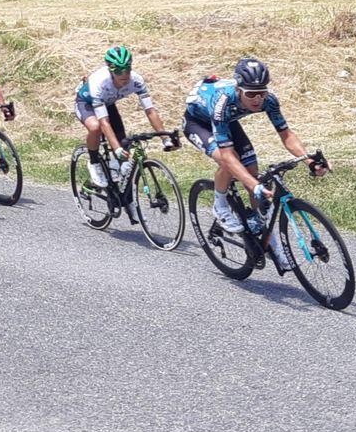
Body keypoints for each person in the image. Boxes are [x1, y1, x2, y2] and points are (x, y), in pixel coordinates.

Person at [182, 57, 330, 269]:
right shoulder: (222, 102)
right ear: (238, 89)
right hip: (199, 123)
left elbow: (286, 134)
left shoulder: (268, 100)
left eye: (262, 92)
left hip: (228, 122)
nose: (258, 99)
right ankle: (220, 205)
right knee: (227, 161)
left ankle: (268, 240)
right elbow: (228, 156)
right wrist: (253, 185)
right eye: (251, 94)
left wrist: (308, 160)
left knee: (252, 168)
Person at [75, 45, 173, 188]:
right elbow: (104, 122)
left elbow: (150, 111)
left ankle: (119, 187)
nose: (124, 74)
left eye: (127, 68)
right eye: (119, 70)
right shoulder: (100, 82)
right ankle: (94, 162)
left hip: (107, 104)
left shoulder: (137, 80)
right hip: (86, 103)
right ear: (110, 70)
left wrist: (166, 139)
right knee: (95, 127)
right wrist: (116, 149)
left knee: (124, 144)